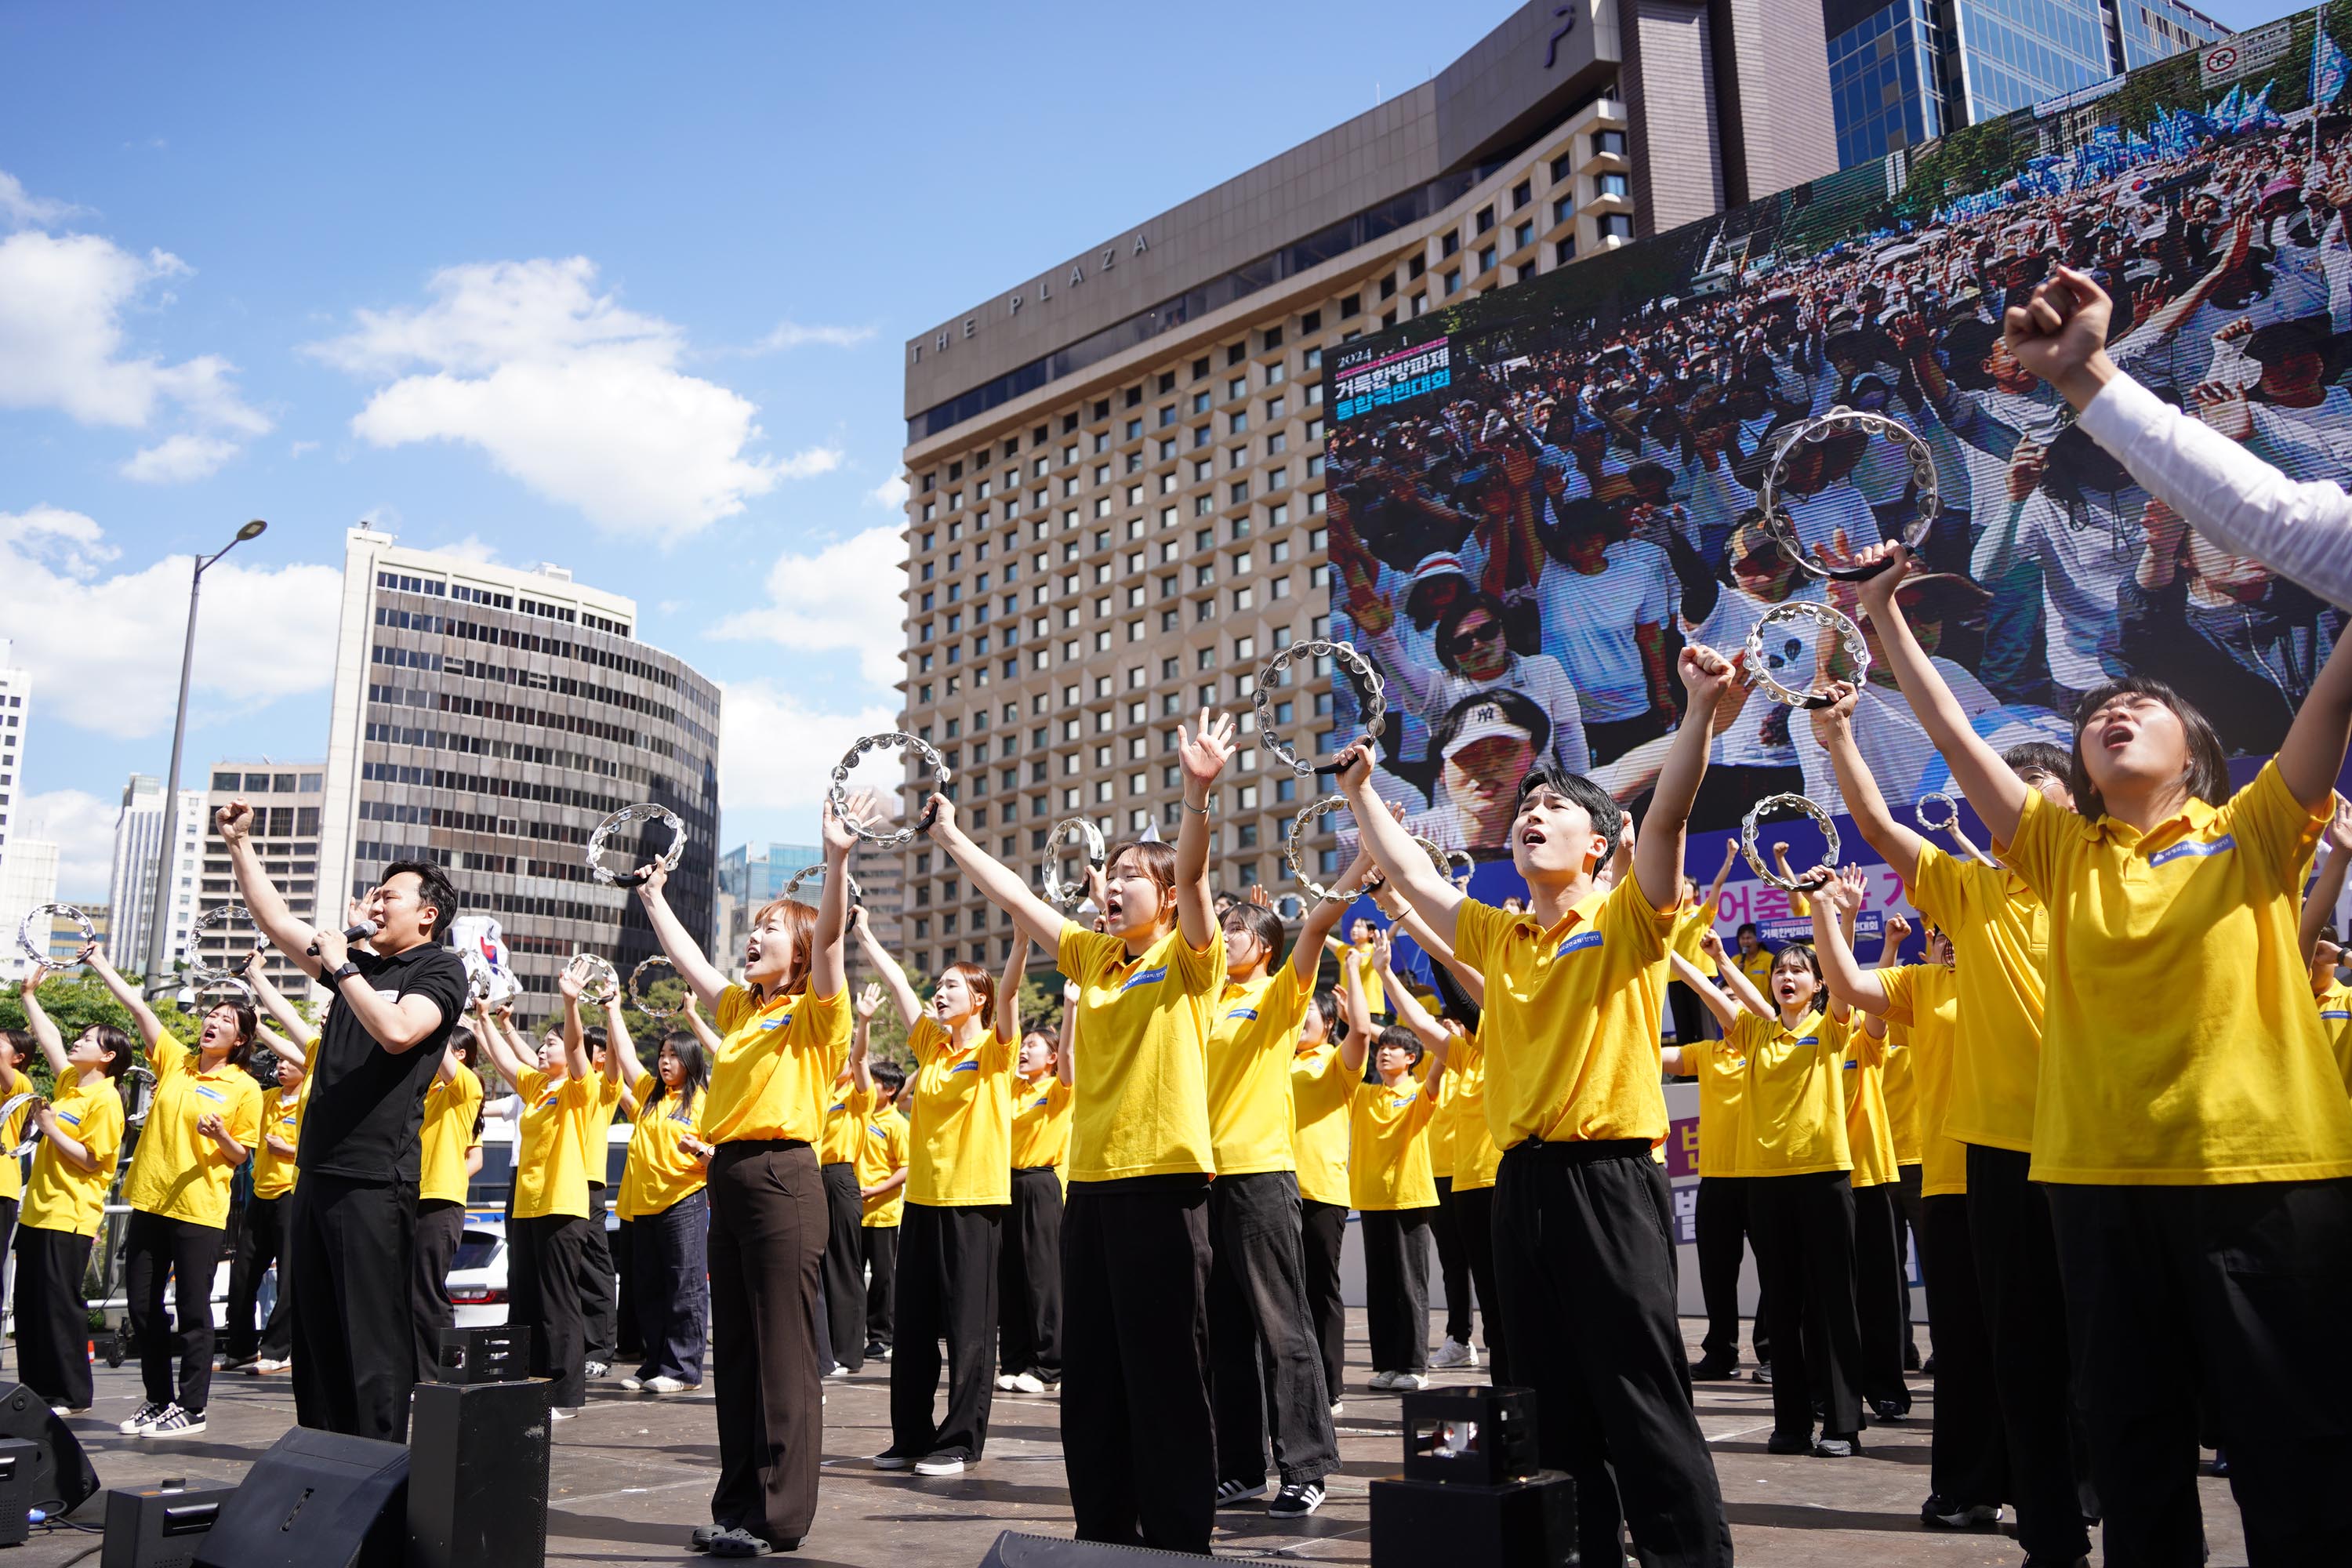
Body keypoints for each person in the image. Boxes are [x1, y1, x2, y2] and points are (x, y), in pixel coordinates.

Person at [1858, 535, 2352, 1561]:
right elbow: (1954, 739)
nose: (2111, 717)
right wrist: (1883, 613)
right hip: (2096, 1186)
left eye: (2139, 708)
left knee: (2291, 1444)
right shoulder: (2057, 854)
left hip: (2259, 1178)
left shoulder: (2256, 829)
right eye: (2094, 717)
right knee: (2134, 1449)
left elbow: (2329, 707)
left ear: (2199, 752)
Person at [1334, 641, 1741, 1567]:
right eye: (1526, 809)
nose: (1531, 815)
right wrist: (1362, 792)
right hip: (1521, 1185)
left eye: (1553, 807)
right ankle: (1587, 1551)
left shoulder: (1630, 915)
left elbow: (1669, 815)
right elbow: (1420, 879)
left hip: (1607, 1181)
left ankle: (1687, 1554)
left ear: (1599, 845)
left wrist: (1699, 711)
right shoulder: (1502, 932)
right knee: (1544, 1398)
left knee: (1638, 1390)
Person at [920, 708, 1236, 1554]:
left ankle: (1177, 1541)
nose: (1113, 884)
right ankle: (1102, 1533)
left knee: (1165, 1375)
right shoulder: (1096, 959)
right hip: (1089, 1189)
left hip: (1165, 1187)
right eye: (1111, 874)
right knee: (1091, 1380)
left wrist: (1196, 792)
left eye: (1132, 874)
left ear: (1163, 897)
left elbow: (1199, 879)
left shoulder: (1189, 954)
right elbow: (1019, 897)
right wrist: (951, 836)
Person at [1811, 670, 2096, 1559]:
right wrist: (1840, 741)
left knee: (2104, 1339)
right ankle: (2045, 1520)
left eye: (2034, 804)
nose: (2013, 819)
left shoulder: (2098, 884)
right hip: (1999, 1158)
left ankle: (2104, 1489)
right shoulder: (1972, 897)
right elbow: (1879, 830)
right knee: (2016, 1347)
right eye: (2004, 802)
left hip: (2099, 1145)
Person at [633, 789, 869, 1559]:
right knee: (734, 1350)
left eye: (769, 928)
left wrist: (837, 856)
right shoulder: (742, 1009)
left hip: (782, 1177)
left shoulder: (816, 1011)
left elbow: (831, 940)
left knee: (782, 1351)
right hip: (729, 1176)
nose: (752, 936)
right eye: (754, 927)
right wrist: (653, 896)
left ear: (797, 950)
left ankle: (779, 1514)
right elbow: (689, 959)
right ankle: (736, 1505)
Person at [223, 808, 471, 1443]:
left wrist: (343, 967)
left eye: (390, 895)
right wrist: (241, 843)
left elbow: (396, 1032)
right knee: (317, 1336)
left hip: (373, 1180)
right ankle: (323, 1458)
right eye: (375, 893)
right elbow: (277, 922)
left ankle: (378, 1473)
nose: (375, 902)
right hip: (318, 1172)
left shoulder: (437, 970)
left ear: (427, 915)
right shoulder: (357, 966)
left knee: (371, 1344)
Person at [2001, 262, 2352, 610]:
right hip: (2121, 648)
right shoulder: (2048, 501)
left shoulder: (2176, 472)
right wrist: (2015, 501)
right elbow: (1988, 571)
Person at [1671, 920, 1867, 1457]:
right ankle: (1792, 1423)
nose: (1787, 976)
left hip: (1825, 1178)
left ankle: (1841, 1424)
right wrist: (1697, 957)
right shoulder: (1755, 1034)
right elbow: (1713, 996)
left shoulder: (1831, 1028)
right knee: (1781, 1305)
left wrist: (1837, 918)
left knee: (1833, 1303)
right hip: (1767, 1184)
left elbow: (1845, 979)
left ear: (1818, 984)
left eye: (1799, 970)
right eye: (1781, 969)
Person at [1204, 884, 1353, 1516]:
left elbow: (1314, 930)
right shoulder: (1202, 998)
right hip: (1201, 1181)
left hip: (1261, 1177)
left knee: (1282, 1327)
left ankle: (1306, 1465)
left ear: (1263, 946)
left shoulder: (1278, 995)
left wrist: (1357, 874)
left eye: (1233, 926)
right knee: (1223, 1337)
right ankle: (1239, 1470)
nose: (1221, 932)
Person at [859, 925, 1022, 1477]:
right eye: (940, 986)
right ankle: (910, 1436)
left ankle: (959, 1441)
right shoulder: (931, 1046)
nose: (941, 993)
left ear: (978, 999)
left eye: (953, 986)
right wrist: (864, 932)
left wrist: (1020, 943)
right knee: (913, 1327)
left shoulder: (997, 1049)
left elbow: (1010, 996)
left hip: (974, 1201)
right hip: (923, 1202)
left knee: (969, 1329)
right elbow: (899, 983)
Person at [90, 944, 262, 1441]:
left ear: (240, 1038)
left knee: (192, 1310)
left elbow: (241, 1156)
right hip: (150, 1199)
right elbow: (139, 1009)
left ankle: (193, 1407)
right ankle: (158, 1400)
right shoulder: (176, 1061)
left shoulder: (243, 1088)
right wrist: (100, 962)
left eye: (226, 1020)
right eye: (211, 1015)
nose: (213, 1022)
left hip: (200, 1210)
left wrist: (221, 1137)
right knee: (142, 1307)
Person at [474, 966, 599, 1418]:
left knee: (557, 1301)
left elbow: (575, 1048)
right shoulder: (537, 1087)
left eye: (550, 1043)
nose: (544, 1048)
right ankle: (526, 1383)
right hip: (525, 1204)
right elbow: (507, 1064)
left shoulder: (579, 1087)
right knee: (524, 1298)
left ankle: (565, 1395)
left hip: (562, 1205)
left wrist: (570, 1004)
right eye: (543, 1043)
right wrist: (483, 1018)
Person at [1339, 932, 1453, 1394]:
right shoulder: (1363, 1094)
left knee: (1410, 1285)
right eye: (1381, 1046)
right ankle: (1387, 1364)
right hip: (1370, 1198)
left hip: (1409, 1198)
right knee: (1381, 1286)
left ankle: (1414, 1365)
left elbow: (1443, 1057)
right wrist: (1353, 1022)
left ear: (1412, 1058)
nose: (1384, 1051)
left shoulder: (1420, 1092)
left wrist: (1385, 974)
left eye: (1395, 1048)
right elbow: (1356, 1047)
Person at [13, 968, 129, 1417]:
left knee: (61, 1305)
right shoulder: (70, 1087)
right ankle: (35, 1389)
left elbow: (95, 1160)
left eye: (89, 1039)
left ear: (107, 1057)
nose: (78, 1042)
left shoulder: (107, 1099)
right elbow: (49, 1042)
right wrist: (29, 996)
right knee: (31, 1305)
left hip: (71, 1214)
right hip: (38, 1211)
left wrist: (48, 1129)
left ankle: (71, 1394)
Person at [1662, 926, 1769, 1384]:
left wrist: (1695, 964)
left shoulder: (1768, 1047)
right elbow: (1657, 1056)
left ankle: (1771, 1350)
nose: (1727, 1005)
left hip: (1766, 1175)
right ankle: (1721, 1350)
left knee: (1775, 1270)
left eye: (1736, 1000)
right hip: (1717, 1179)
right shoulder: (1707, 1052)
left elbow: (1707, 987)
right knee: (1716, 1273)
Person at [605, 1000, 711, 1395]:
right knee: (647, 1290)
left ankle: (683, 1370)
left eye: (673, 1056)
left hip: (684, 1199)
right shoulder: (651, 1094)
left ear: (690, 1061)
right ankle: (653, 1364)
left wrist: (700, 1150)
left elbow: (720, 1152)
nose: (665, 1063)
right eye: (662, 1055)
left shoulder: (704, 1101)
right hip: (642, 1205)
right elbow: (629, 1058)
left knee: (684, 1287)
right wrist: (613, 1009)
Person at [224, 981, 310, 1378]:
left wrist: (287, 1150)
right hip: (261, 1192)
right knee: (243, 1274)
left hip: (293, 1194)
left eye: (287, 1062)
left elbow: (319, 1150)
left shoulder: (312, 1094)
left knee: (293, 1278)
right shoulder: (268, 1097)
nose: (280, 1066)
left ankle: (279, 1349)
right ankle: (240, 1348)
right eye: (276, 1063)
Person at [999, 954, 1071, 1396]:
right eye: (1023, 1046)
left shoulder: (1059, 1088)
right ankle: (1017, 1359)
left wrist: (1071, 1008)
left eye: (1034, 1047)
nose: (1025, 1050)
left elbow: (1068, 1054)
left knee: (1043, 1275)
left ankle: (1049, 1365)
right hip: (1006, 1182)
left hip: (1043, 1185)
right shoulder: (1012, 1086)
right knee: (1010, 1275)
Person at [1288, 982, 1353, 1417]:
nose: (1299, 1024)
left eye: (1308, 1014)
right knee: (1285, 1292)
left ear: (1329, 1023)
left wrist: (1357, 1015)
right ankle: (1293, 1385)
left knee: (1321, 1289)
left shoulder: (1334, 1061)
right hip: (1278, 1186)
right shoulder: (1276, 1059)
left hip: (1322, 1190)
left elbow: (1362, 1038)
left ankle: (1330, 1386)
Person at [410, 1013, 482, 1386]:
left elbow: (476, 1158)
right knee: (401, 1293)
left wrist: (426, 1020)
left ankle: (435, 1378)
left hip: (440, 1199)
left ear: (463, 1056)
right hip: (408, 1197)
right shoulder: (424, 1090)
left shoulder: (466, 1088)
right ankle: (407, 1374)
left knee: (426, 1292)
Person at [858, 1053, 912, 1363]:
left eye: (874, 1084)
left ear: (890, 1090)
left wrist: (876, 1190)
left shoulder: (896, 1125)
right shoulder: (860, 1114)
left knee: (882, 1278)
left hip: (883, 1212)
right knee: (852, 1277)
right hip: (855, 1210)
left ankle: (881, 1337)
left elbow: (906, 1167)